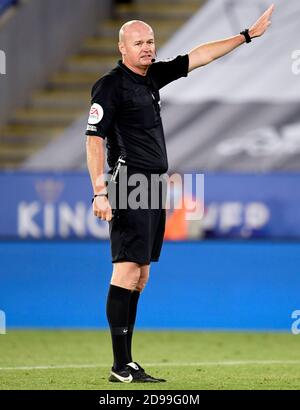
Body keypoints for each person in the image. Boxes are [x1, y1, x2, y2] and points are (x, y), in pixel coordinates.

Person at [85, 5, 274, 383]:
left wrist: (246, 36)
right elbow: (93, 139)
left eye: (150, 41)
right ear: (122, 47)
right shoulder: (111, 85)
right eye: (138, 42)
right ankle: (120, 365)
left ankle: (126, 363)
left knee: (141, 276)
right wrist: (99, 192)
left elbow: (199, 56)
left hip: (154, 185)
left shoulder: (151, 78)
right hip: (129, 184)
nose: (146, 47)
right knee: (125, 270)